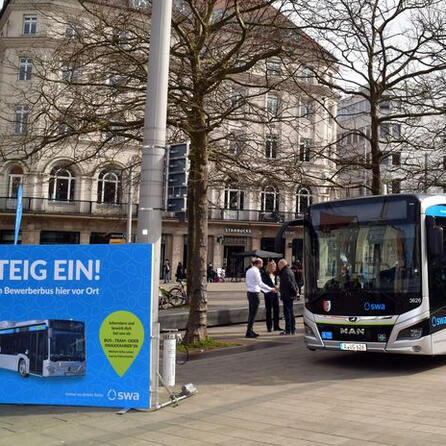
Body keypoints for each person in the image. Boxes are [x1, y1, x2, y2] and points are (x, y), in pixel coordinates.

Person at [245, 258, 278, 338]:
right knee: (253, 313)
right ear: (258, 263)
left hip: (249, 292)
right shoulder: (256, 271)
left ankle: (250, 330)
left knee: (251, 313)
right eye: (262, 263)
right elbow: (260, 283)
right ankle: (249, 332)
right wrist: (271, 289)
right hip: (254, 294)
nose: (262, 265)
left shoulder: (249, 270)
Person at [278, 258, 299, 335]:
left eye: (279, 265)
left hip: (287, 295)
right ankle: (293, 329)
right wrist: (296, 291)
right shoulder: (289, 271)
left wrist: (295, 292)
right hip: (290, 295)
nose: (278, 267)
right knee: (291, 312)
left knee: (287, 313)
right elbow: (295, 282)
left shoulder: (285, 272)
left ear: (282, 264)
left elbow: (290, 284)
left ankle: (288, 330)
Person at [260, 261, 282, 332]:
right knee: (269, 311)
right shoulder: (264, 275)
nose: (275, 268)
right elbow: (263, 286)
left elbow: (277, 283)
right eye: (273, 267)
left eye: (275, 267)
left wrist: (277, 286)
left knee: (276, 310)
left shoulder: (275, 274)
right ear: (269, 267)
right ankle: (269, 327)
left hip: (275, 294)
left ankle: (276, 326)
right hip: (268, 294)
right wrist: (270, 290)